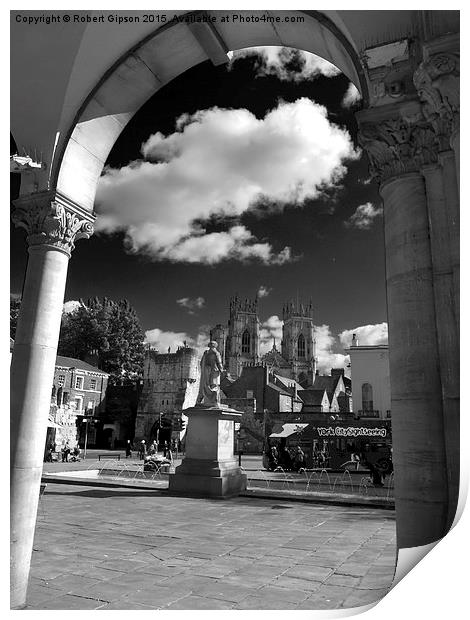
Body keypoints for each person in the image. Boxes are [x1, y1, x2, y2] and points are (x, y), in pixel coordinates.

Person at [197, 341, 224, 407]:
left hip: (207, 370)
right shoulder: (216, 353)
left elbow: (201, 363)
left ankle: (208, 400)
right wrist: (221, 370)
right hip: (214, 370)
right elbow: (219, 362)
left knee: (207, 385)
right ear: (215, 346)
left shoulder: (206, 353)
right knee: (214, 385)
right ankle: (214, 401)